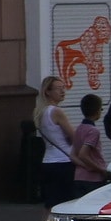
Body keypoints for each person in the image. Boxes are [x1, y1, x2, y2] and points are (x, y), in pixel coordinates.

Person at [34, 76, 76, 210]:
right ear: (48, 91)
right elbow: (74, 137)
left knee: (50, 205)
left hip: (48, 162)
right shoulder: (56, 111)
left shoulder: (40, 112)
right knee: (65, 203)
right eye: (58, 89)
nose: (62, 91)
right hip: (63, 162)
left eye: (63, 88)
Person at [71, 94, 111, 196]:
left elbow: (73, 155)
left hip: (79, 177)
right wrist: (100, 169)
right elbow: (83, 154)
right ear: (97, 110)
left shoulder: (79, 129)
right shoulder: (93, 131)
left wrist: (83, 166)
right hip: (93, 179)